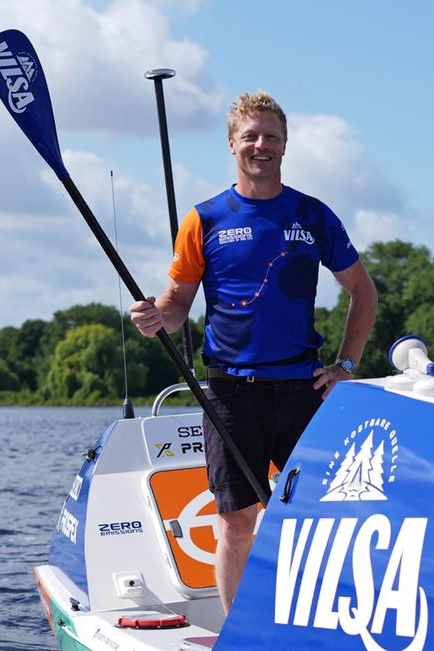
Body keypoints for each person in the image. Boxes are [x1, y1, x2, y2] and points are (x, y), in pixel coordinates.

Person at [131, 91, 377, 613]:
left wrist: (346, 366)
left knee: (315, 516)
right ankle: (238, 636)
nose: (261, 145)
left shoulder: (312, 214)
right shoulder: (204, 219)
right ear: (232, 144)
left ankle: (316, 621)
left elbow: (364, 292)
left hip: (302, 390)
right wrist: (157, 319)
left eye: (271, 136)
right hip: (230, 394)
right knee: (237, 520)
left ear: (285, 145)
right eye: (251, 136)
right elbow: (176, 305)